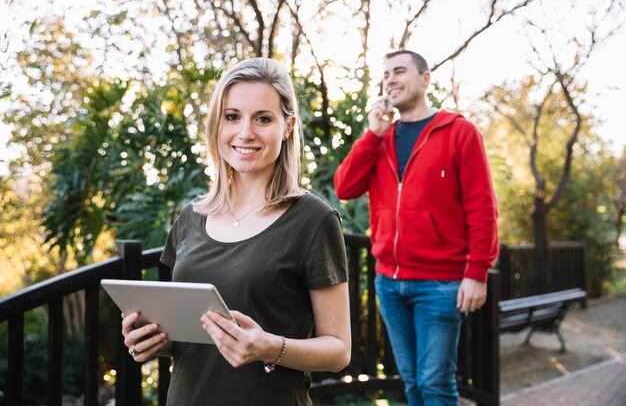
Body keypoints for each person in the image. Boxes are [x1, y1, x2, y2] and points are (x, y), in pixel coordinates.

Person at [121, 57, 351, 406]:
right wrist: (152, 340)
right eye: (232, 116)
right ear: (217, 124)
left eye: (263, 118)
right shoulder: (190, 217)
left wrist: (269, 348)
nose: (245, 133)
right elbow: (190, 336)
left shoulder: (313, 219)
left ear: (287, 126)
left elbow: (338, 350)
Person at [334, 50, 498, 406]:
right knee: (411, 382)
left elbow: (482, 208)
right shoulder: (382, 139)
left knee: (435, 384)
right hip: (389, 283)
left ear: (425, 79)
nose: (390, 79)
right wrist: (372, 133)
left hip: (440, 285)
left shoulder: (459, 132)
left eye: (399, 71)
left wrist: (477, 272)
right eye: (386, 75)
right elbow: (345, 187)